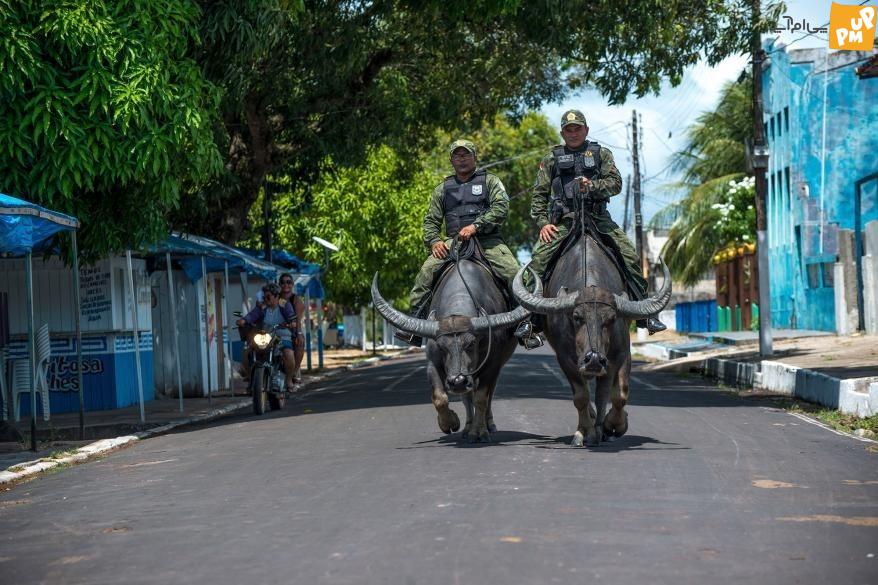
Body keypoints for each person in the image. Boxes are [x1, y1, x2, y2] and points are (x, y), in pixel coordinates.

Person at [514, 109, 667, 337]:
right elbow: (539, 196)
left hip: (598, 218)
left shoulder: (601, 154)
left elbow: (615, 184)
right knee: (537, 263)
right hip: (564, 222)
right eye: (569, 129)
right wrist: (543, 223)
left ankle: (646, 314)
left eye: (578, 129)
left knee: (630, 257)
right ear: (562, 132)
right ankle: (529, 320)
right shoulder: (551, 158)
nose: (573, 133)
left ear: (586, 130)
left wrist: (592, 186)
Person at [396, 139, 523, 346]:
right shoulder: (442, 188)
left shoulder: (490, 181)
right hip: (452, 242)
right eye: (457, 155)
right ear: (451, 159)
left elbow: (501, 208)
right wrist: (434, 241)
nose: (462, 158)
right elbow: (431, 220)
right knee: (425, 274)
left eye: (466, 154)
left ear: (475, 157)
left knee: (512, 272)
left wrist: (476, 226)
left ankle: (523, 324)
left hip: (487, 241)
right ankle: (415, 324)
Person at [236, 283, 298, 392]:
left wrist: (292, 322)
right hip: (265, 335)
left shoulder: (284, 304)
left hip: (281, 335)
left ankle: (288, 381)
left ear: (276, 296)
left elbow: (291, 314)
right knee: (246, 352)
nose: (266, 299)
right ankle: (252, 381)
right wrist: (243, 320)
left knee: (288, 353)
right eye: (264, 296)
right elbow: (252, 315)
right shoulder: (262, 306)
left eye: (268, 296)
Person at [278, 273, 306, 389]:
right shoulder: (274, 297)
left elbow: (298, 319)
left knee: (300, 343)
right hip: (274, 330)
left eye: (288, 282)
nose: (286, 284)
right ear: (279, 284)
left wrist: (298, 333)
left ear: (292, 285)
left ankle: (295, 370)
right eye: (283, 282)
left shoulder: (296, 300)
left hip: (292, 330)